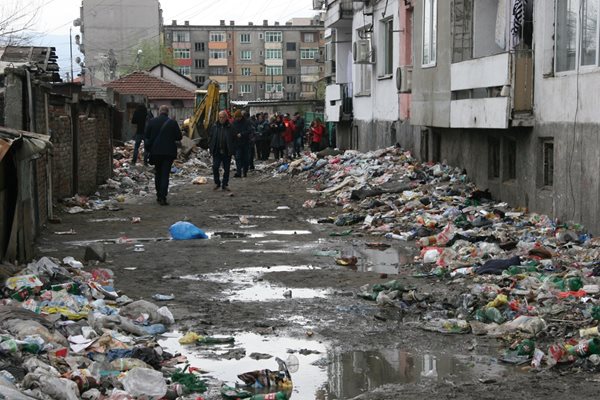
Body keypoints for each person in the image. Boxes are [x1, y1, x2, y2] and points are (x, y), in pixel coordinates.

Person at [145, 105, 182, 205]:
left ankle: (158, 195)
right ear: (167, 112)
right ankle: (163, 197)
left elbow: (147, 136)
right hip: (168, 153)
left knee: (158, 173)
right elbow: (179, 136)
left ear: (159, 111)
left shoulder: (152, 121)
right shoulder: (172, 123)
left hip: (156, 152)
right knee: (165, 174)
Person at [208, 110, 235, 191]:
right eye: (220, 117)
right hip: (217, 151)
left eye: (223, 117)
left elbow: (234, 138)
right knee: (215, 167)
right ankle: (217, 183)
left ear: (226, 118)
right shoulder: (215, 126)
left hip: (227, 151)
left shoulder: (230, 127)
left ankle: (225, 184)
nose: (221, 119)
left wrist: (232, 148)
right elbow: (210, 136)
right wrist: (210, 146)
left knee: (226, 169)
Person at [231, 110, 252, 177]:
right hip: (237, 144)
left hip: (245, 143)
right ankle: (239, 172)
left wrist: (242, 134)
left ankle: (245, 171)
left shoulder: (246, 122)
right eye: (236, 117)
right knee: (238, 158)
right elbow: (232, 131)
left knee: (245, 159)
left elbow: (249, 131)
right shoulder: (234, 123)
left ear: (241, 116)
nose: (237, 119)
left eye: (238, 117)